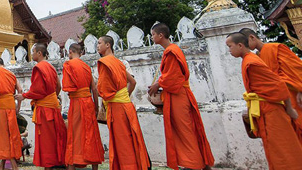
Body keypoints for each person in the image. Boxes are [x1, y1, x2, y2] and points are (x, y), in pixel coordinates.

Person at [226, 32, 302, 168]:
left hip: (275, 108)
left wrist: (290, 106)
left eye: (230, 46)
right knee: (275, 149)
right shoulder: (251, 60)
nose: (229, 50)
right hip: (267, 107)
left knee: (283, 149)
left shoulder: (253, 61)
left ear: (241, 44)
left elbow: (279, 84)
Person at [148, 23, 214, 170]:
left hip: (178, 95)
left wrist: (157, 85)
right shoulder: (172, 50)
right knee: (184, 129)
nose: (152, 37)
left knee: (185, 130)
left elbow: (173, 77)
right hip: (178, 95)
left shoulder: (171, 51)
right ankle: (198, 162)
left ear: (160, 35)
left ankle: (194, 164)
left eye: (153, 34)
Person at [241, 27, 302, 143]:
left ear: (252, 37)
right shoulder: (256, 57)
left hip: (293, 94)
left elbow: (297, 69)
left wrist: (300, 89)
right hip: (277, 99)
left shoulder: (276, 48)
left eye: (246, 43)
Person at [97, 36, 150, 170]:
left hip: (117, 108)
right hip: (127, 105)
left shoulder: (104, 62)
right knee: (131, 138)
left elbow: (103, 91)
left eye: (99, 43)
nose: (97, 46)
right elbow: (133, 82)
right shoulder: (119, 63)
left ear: (108, 45)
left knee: (122, 143)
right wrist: (123, 96)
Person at [16, 43, 67, 170]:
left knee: (46, 139)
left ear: (39, 53)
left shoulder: (39, 68)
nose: (31, 54)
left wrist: (24, 96)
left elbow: (38, 90)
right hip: (53, 106)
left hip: (45, 109)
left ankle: (48, 166)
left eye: (33, 52)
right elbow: (58, 87)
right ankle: (57, 161)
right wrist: (51, 98)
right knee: (55, 136)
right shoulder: (51, 67)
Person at [62, 43, 104, 170]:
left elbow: (68, 87)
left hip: (76, 103)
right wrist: (96, 107)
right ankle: (94, 167)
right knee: (92, 134)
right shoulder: (86, 67)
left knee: (74, 135)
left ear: (70, 52)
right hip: (89, 103)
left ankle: (72, 166)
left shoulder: (68, 65)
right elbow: (94, 88)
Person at [0, 57, 22, 170]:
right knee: (11, 134)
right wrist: (18, 106)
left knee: (3, 136)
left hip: (2, 106)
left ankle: (13, 165)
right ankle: (2, 164)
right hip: (11, 105)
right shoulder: (11, 74)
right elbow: (20, 90)